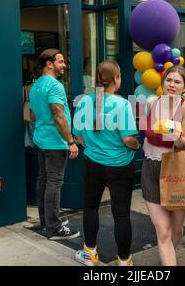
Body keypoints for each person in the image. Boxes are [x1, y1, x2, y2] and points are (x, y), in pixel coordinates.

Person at [73, 61, 140, 266]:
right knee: (121, 214)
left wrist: (93, 147)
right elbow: (128, 139)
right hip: (120, 165)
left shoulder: (84, 101)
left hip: (93, 163)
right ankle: (124, 260)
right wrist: (137, 146)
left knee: (91, 207)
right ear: (117, 79)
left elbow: (78, 137)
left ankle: (90, 253)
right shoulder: (122, 104)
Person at [141, 66, 185, 266]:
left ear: (184, 87)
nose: (172, 85)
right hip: (150, 168)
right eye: (169, 80)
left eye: (177, 82)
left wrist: (173, 130)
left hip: (175, 171)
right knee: (163, 231)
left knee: (177, 231)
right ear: (163, 82)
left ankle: (167, 257)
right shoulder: (151, 102)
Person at [29, 48, 80, 240]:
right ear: (49, 64)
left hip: (42, 139)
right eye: (60, 61)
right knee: (54, 182)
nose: (64, 65)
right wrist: (70, 141)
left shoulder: (36, 86)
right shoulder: (55, 85)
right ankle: (54, 227)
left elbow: (33, 115)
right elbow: (58, 114)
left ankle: (46, 220)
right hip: (55, 142)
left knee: (44, 180)